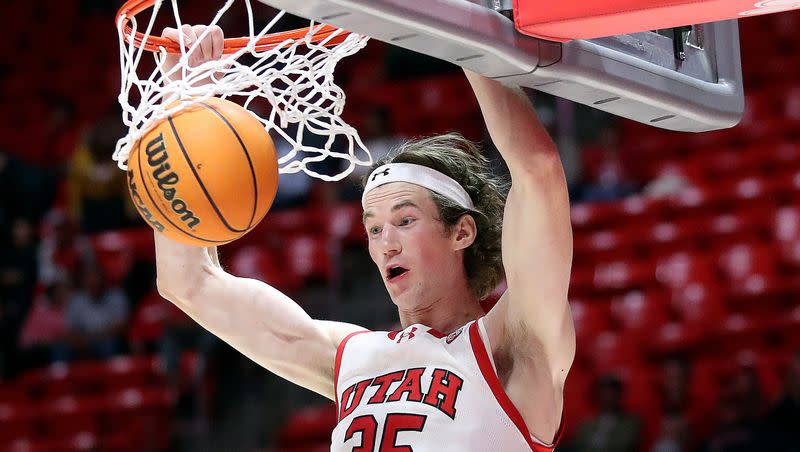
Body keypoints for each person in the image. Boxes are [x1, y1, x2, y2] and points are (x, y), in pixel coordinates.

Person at [154, 25, 575, 450]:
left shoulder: (512, 344)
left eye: (405, 221)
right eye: (373, 228)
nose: (385, 243)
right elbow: (187, 282)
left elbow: (537, 168)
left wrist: (467, 32)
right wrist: (182, 100)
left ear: (461, 231)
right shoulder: (352, 357)